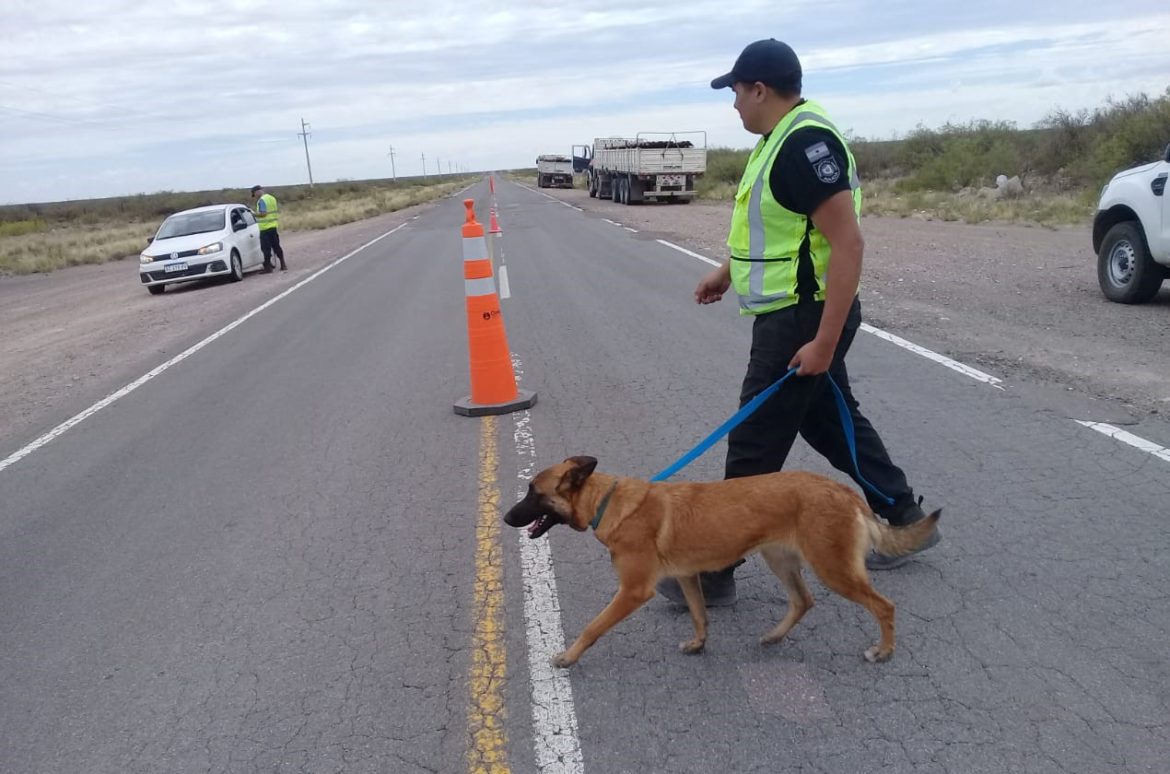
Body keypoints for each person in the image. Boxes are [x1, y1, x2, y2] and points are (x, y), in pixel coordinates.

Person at [656, 39, 940, 608]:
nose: (733, 104)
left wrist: (823, 342)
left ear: (760, 89)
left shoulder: (803, 145)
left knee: (754, 445)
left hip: (802, 320)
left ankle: (714, 569)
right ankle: (902, 513)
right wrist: (727, 272)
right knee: (831, 423)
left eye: (736, 91)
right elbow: (785, 234)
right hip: (791, 312)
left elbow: (847, 244)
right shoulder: (775, 141)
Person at [250, 185, 286, 272]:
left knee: (266, 248)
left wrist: (253, 213)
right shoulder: (272, 198)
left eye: (254, 194)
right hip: (273, 226)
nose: (255, 197)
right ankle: (283, 264)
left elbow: (263, 213)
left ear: (257, 192)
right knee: (276, 246)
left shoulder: (262, 200)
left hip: (265, 228)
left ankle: (268, 268)